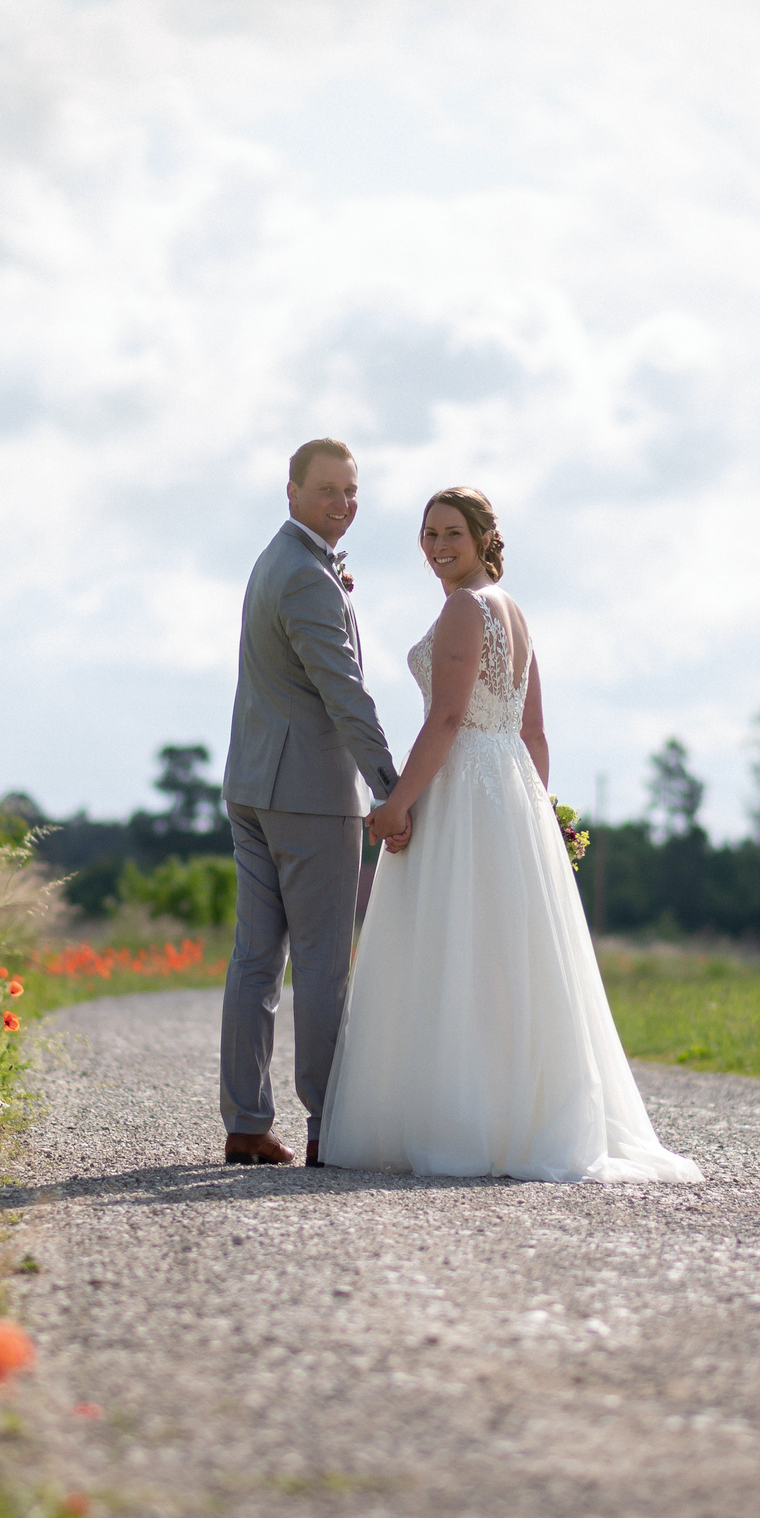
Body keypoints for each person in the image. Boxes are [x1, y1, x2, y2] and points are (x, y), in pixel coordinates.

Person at [320, 487, 701, 1183]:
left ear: (484, 537)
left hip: (465, 789)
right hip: (509, 791)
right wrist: (538, 812)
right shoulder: (514, 610)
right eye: (428, 533)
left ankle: (467, 1123)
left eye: (453, 534)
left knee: (456, 950)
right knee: (498, 960)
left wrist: (397, 805)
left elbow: (447, 721)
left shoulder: (467, 607)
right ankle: (504, 1115)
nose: (438, 547)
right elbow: (532, 732)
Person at [217, 439, 400, 1167]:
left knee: (256, 960)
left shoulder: (274, 561)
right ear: (290, 490)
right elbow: (344, 692)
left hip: (252, 784)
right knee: (322, 960)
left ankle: (246, 1121)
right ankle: (329, 1121)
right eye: (327, 490)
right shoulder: (307, 577)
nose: (342, 504)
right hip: (311, 795)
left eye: (351, 492)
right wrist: (391, 787)